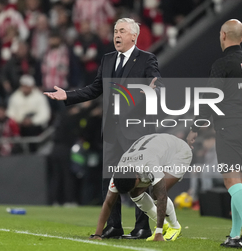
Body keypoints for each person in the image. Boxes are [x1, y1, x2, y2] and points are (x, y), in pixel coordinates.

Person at [45, 18, 163, 239]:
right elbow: (95, 89)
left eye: (122, 31)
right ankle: (113, 226)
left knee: (138, 179)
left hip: (136, 130)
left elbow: (158, 85)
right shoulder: (108, 59)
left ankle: (142, 227)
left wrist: (150, 91)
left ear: (133, 36)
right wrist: (68, 95)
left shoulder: (147, 59)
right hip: (111, 130)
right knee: (109, 179)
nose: (116, 35)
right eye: (115, 31)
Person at [187, 19, 242, 248]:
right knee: (239, 183)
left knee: (231, 181)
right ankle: (236, 233)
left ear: (223, 36)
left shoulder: (222, 64)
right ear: (241, 38)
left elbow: (209, 99)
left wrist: (195, 128)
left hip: (229, 128)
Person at [89, 133, 192, 241]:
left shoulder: (149, 165)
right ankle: (165, 224)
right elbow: (108, 203)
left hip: (179, 153)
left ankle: (174, 227)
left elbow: (162, 196)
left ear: (137, 176)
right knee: (135, 193)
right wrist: (97, 234)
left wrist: (158, 233)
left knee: (157, 192)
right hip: (157, 149)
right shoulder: (118, 172)